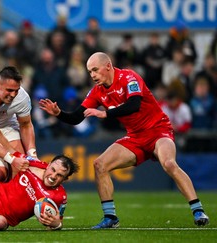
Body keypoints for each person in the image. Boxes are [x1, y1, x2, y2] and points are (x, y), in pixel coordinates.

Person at [39, 52, 210, 229]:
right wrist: (58, 113)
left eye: (95, 70)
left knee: (168, 163)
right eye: (90, 72)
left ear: (108, 66)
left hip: (158, 130)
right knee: (99, 165)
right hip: (135, 137)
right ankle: (110, 217)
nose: (93, 75)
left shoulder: (129, 77)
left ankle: (197, 210)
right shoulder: (97, 91)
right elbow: (76, 117)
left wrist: (106, 113)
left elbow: (134, 104)